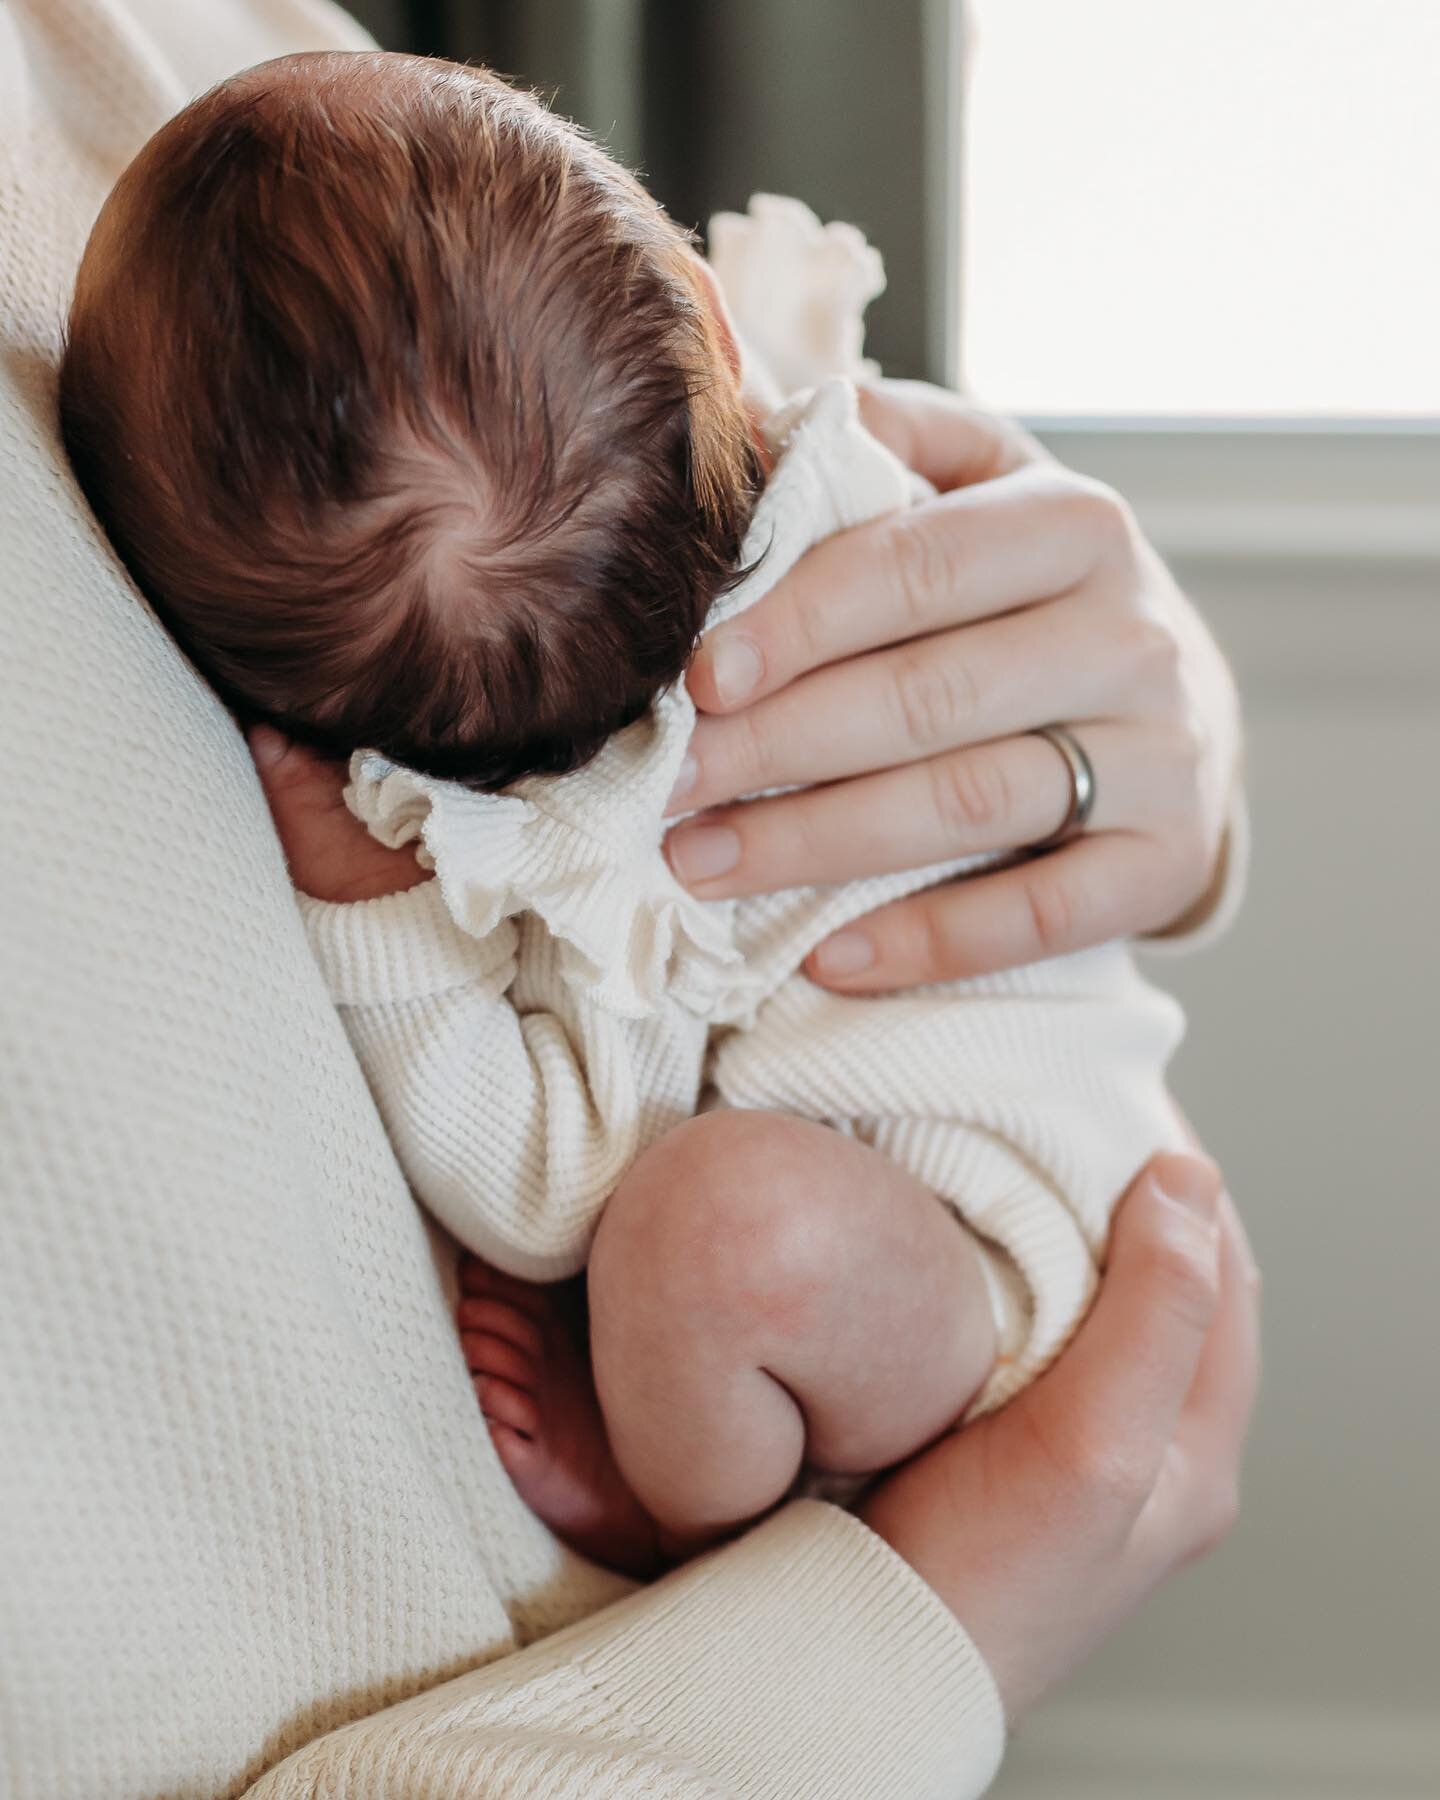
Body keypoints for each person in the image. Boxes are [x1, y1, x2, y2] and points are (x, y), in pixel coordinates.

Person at [0, 1, 1255, 1795]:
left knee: (711, 1229)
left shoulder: (615, 821)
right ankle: (736, 1544)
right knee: (735, 1226)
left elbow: (541, 1187)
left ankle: (702, 1516)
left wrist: (1185, 739)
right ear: (704, 309)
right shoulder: (659, 730)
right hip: (991, 1272)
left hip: (1011, 1254)